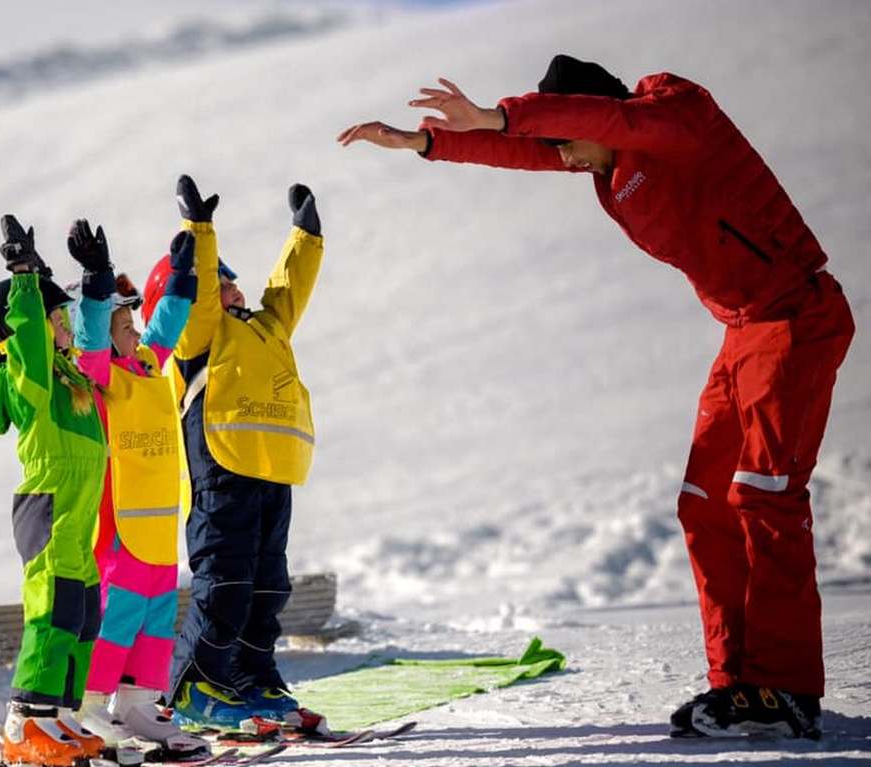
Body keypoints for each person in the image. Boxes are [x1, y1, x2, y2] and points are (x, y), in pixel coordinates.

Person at [337, 54, 854, 740]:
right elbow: (528, 151)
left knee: (763, 493)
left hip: (795, 316)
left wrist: (500, 112)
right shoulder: (606, 164)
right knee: (703, 503)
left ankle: (786, 686)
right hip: (743, 331)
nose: (567, 161)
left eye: (568, 144)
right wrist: (427, 143)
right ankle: (740, 682)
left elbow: (599, 119)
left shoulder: (674, 118)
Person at [166, 175, 325, 729]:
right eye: (220, 283)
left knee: (267, 586)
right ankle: (193, 686)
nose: (233, 289)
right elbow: (201, 297)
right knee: (226, 583)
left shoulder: (266, 326)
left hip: (272, 469)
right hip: (223, 469)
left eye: (232, 282)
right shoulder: (199, 336)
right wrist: (199, 230)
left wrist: (305, 236)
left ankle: (251, 677)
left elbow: (288, 289)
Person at [61, 218, 208, 755]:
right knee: (117, 617)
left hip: (158, 522)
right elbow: (93, 337)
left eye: (130, 322)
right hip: (120, 526)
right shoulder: (98, 375)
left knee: (155, 618)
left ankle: (140, 702)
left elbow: (167, 326)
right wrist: (97, 281)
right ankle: (94, 705)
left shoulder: (146, 366)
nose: (134, 330)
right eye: (125, 324)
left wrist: (183, 277)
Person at [0, 215, 109, 766]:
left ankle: (59, 716)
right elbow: (27, 341)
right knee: (51, 615)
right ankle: (24, 722)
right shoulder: (29, 377)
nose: (66, 326)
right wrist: (25, 279)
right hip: (49, 504)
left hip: (75, 510)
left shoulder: (67, 374)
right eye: (59, 318)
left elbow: (85, 341)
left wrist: (84, 280)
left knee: (80, 616)